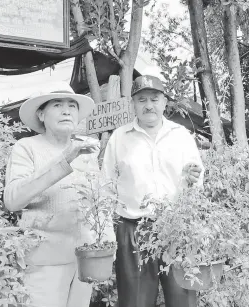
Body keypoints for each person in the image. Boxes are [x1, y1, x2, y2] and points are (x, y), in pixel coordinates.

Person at [101, 75, 204, 307]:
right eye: (142, 100)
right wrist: (106, 231)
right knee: (135, 301)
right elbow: (106, 185)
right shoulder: (119, 138)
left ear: (164, 102)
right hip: (132, 230)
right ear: (133, 104)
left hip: (177, 228)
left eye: (154, 99)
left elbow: (197, 179)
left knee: (183, 298)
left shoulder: (181, 135)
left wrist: (192, 176)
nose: (149, 105)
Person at [3, 82, 104, 307]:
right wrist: (65, 158)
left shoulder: (86, 152)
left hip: (84, 261)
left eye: (72, 106)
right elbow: (12, 199)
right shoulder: (26, 147)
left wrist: (107, 243)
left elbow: (99, 203)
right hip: (44, 261)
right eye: (57, 105)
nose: (66, 110)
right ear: (41, 114)